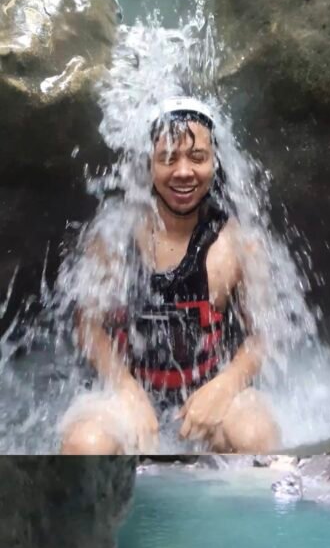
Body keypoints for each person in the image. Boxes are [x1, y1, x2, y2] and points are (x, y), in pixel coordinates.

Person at [60, 97, 280, 456]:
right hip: (125, 392)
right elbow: (88, 324)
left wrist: (225, 387)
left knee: (255, 434)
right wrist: (126, 390)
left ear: (214, 162)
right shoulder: (113, 238)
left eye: (197, 158)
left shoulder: (238, 244)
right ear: (149, 164)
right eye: (168, 158)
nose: (183, 172)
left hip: (209, 392)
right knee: (87, 444)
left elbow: (265, 335)